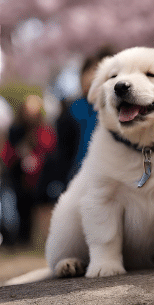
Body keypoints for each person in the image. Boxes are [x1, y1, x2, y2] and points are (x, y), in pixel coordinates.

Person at [1, 95, 56, 244]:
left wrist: (38, 158)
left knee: (41, 210)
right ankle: (21, 239)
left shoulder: (44, 130)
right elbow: (8, 154)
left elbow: (50, 149)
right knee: (20, 209)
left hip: (41, 177)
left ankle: (42, 239)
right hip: (18, 175)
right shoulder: (15, 130)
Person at [65, 47, 114, 182]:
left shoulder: (116, 108)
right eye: (88, 72)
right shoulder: (73, 109)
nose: (91, 78)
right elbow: (64, 154)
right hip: (80, 175)